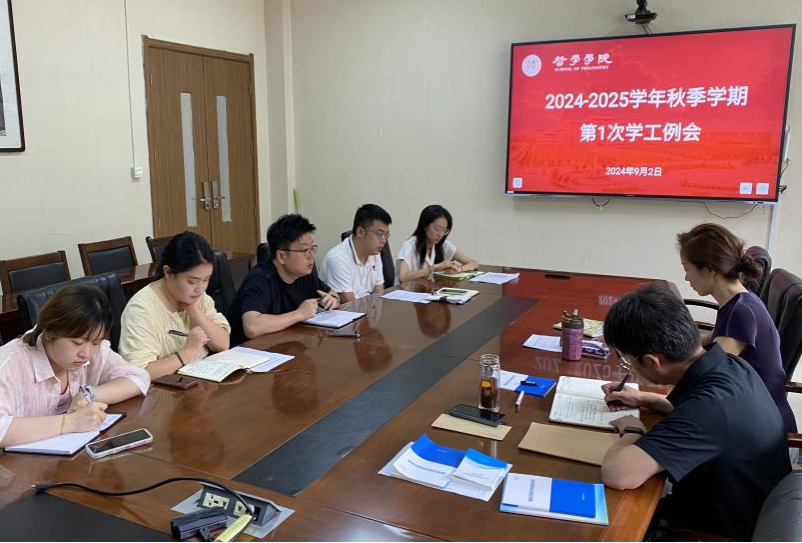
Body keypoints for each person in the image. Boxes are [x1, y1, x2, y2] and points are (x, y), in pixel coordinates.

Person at [600, 283, 790, 541]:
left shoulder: (710, 409)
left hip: (716, 532)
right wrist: (647, 399)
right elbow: (705, 417)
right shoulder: (731, 365)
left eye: (627, 361)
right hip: (752, 509)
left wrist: (632, 428)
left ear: (653, 361)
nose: (629, 368)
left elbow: (618, 473)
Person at [677, 223, 795, 432]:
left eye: (687, 269)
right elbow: (709, 343)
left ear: (710, 269)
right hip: (748, 412)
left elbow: (708, 375)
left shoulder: (742, 312)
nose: (686, 277)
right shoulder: (737, 302)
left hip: (763, 430)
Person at [0, 285, 150, 448]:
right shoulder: (9, 363)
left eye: (96, 343)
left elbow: (139, 377)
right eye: (77, 342)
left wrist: (88, 395)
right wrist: (70, 422)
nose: (86, 354)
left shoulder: (92, 347)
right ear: (49, 332)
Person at [119, 232, 231, 380]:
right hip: (162, 391)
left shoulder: (197, 297)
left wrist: (194, 311)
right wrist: (187, 352)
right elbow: (140, 372)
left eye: (206, 280)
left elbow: (222, 344)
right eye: (192, 281)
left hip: (198, 383)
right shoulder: (141, 309)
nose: (200, 289)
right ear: (168, 272)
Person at [226, 214, 340, 346]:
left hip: (284, 344)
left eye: (312, 248)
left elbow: (334, 295)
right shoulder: (260, 279)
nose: (311, 256)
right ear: (281, 256)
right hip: (248, 351)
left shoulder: (304, 274)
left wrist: (332, 300)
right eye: (304, 250)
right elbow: (252, 327)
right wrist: (299, 314)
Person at [321, 204, 392, 301]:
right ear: (360, 232)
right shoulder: (337, 259)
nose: (384, 240)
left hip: (365, 307)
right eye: (379, 234)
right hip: (347, 309)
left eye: (386, 235)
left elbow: (378, 294)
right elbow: (350, 303)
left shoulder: (374, 253)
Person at [396, 205, 478, 283]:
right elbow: (403, 277)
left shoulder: (444, 245)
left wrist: (459, 269)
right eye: (437, 229)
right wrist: (435, 267)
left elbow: (474, 263)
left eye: (444, 230)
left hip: (427, 289)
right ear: (425, 226)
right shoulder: (410, 245)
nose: (441, 235)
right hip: (405, 291)